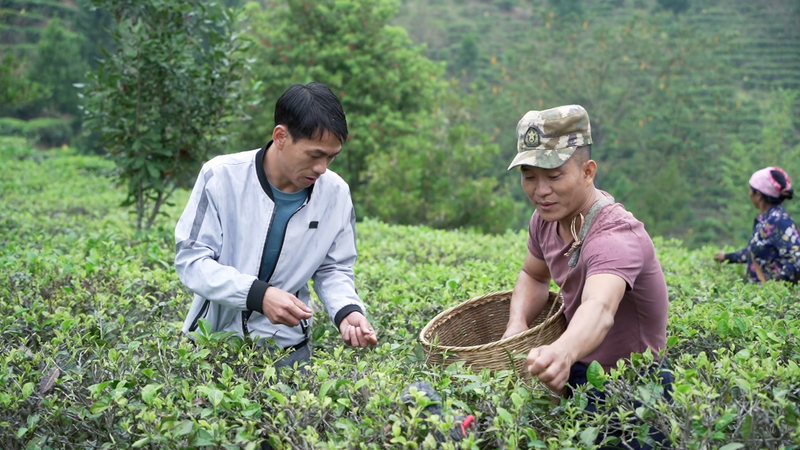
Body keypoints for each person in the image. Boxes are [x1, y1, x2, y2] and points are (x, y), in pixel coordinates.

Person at [175, 82, 378, 372]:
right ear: (281, 136)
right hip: (212, 344)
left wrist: (347, 311)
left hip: (287, 350)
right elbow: (191, 260)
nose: (322, 168)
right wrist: (258, 295)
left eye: (331, 157)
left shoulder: (335, 193)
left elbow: (333, 268)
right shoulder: (221, 177)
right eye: (314, 155)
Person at [501, 105, 671, 449]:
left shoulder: (615, 235)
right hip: (580, 371)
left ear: (587, 171)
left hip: (633, 386)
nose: (540, 191)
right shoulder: (545, 220)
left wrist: (562, 351)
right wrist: (517, 324)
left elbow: (600, 307)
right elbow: (534, 275)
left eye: (554, 176)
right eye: (529, 177)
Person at [713, 167, 800, 283]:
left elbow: (795, 257)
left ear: (758, 195)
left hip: (772, 293)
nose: (749, 194)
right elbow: (757, 251)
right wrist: (727, 257)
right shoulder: (767, 219)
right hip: (761, 292)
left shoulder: (778, 220)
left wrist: (776, 285)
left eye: (750, 190)